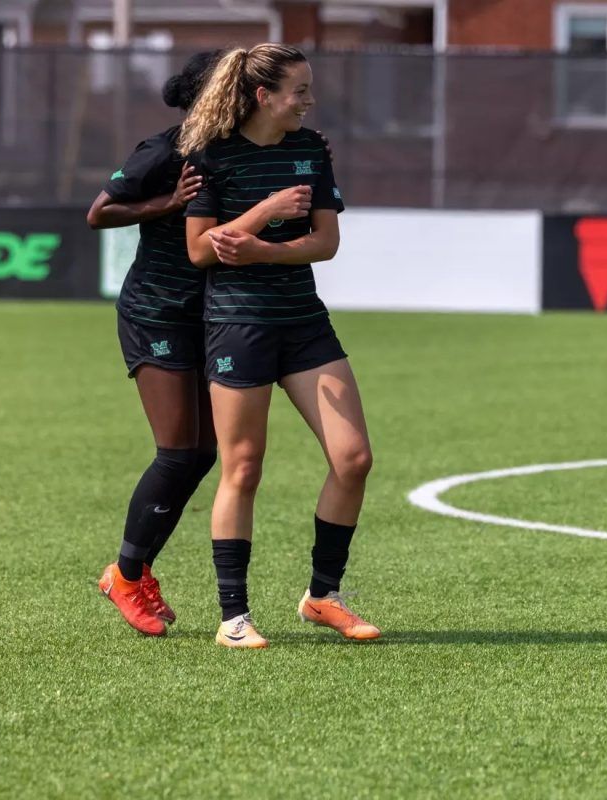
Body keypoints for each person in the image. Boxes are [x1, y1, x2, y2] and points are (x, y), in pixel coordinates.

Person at [179, 44, 380, 649]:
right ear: (263, 96)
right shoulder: (210, 156)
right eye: (299, 91)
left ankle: (323, 596)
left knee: (354, 459)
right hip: (238, 324)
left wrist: (264, 249)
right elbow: (198, 250)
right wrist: (265, 211)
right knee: (243, 466)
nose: (309, 101)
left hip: (304, 323)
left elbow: (326, 243)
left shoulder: (310, 149)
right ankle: (233, 617)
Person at [88, 52, 222, 638]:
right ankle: (124, 574)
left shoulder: (236, 149)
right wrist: (166, 204)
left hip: (208, 315)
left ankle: (135, 570)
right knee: (177, 451)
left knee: (203, 453)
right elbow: (100, 212)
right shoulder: (165, 151)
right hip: (156, 312)